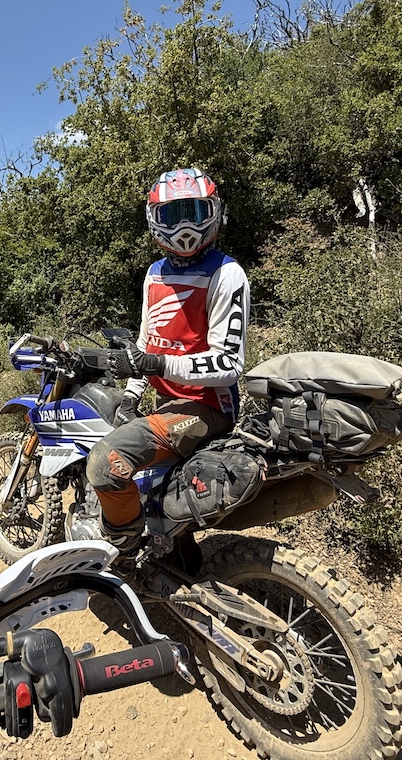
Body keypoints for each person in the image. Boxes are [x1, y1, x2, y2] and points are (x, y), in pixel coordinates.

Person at [87, 167, 250, 555]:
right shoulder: (155, 273)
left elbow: (229, 364)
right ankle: (170, 550)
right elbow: (147, 340)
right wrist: (131, 394)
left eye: (193, 211)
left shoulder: (226, 273)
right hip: (168, 406)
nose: (183, 227)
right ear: (154, 220)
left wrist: (157, 365)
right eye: (171, 216)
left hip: (208, 408)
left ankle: (121, 549)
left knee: (104, 464)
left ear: (213, 212)